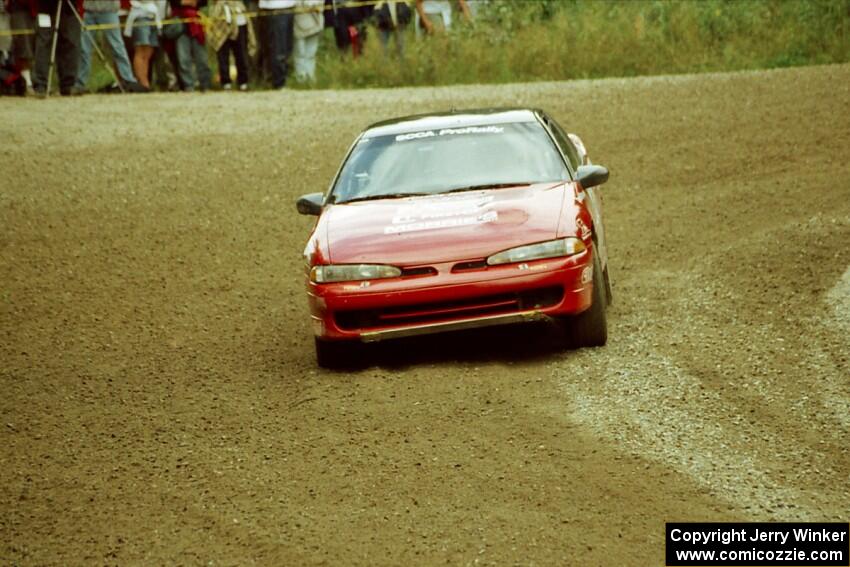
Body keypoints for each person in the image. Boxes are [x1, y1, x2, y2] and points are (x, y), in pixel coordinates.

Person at [75, 0, 143, 92]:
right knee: (84, 49)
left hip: (109, 11)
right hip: (89, 12)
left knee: (117, 47)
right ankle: (80, 84)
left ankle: (129, 80)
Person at [32, 0, 83, 96]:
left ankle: (68, 84)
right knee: (43, 45)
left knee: (70, 44)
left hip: (69, 8)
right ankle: (41, 85)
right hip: (45, 9)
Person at [208, 0, 254, 90]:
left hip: (239, 20)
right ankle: (226, 82)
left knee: (241, 54)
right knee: (222, 53)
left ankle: (243, 82)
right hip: (221, 21)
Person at [170, 0, 210, 92]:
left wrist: (186, 2)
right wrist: (188, 2)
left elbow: (204, 2)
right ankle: (188, 86)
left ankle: (205, 85)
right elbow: (174, 2)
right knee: (183, 58)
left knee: (202, 58)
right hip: (180, 25)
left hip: (196, 24)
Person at [125, 0, 164, 89]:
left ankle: (145, 80)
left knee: (148, 51)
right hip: (140, 16)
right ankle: (142, 82)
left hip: (153, 16)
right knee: (141, 50)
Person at [258, 0, 293, 89]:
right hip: (274, 9)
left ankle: (281, 80)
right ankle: (278, 82)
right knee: (278, 48)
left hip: (288, 7)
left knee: (286, 48)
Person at [6, 0, 36, 93]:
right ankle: (26, 82)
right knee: (23, 45)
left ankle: (32, 81)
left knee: (33, 46)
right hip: (17, 9)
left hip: (34, 9)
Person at [292, 0, 320, 83]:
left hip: (315, 22)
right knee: (300, 54)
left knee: (311, 53)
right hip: (299, 22)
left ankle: (311, 77)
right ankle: (301, 78)